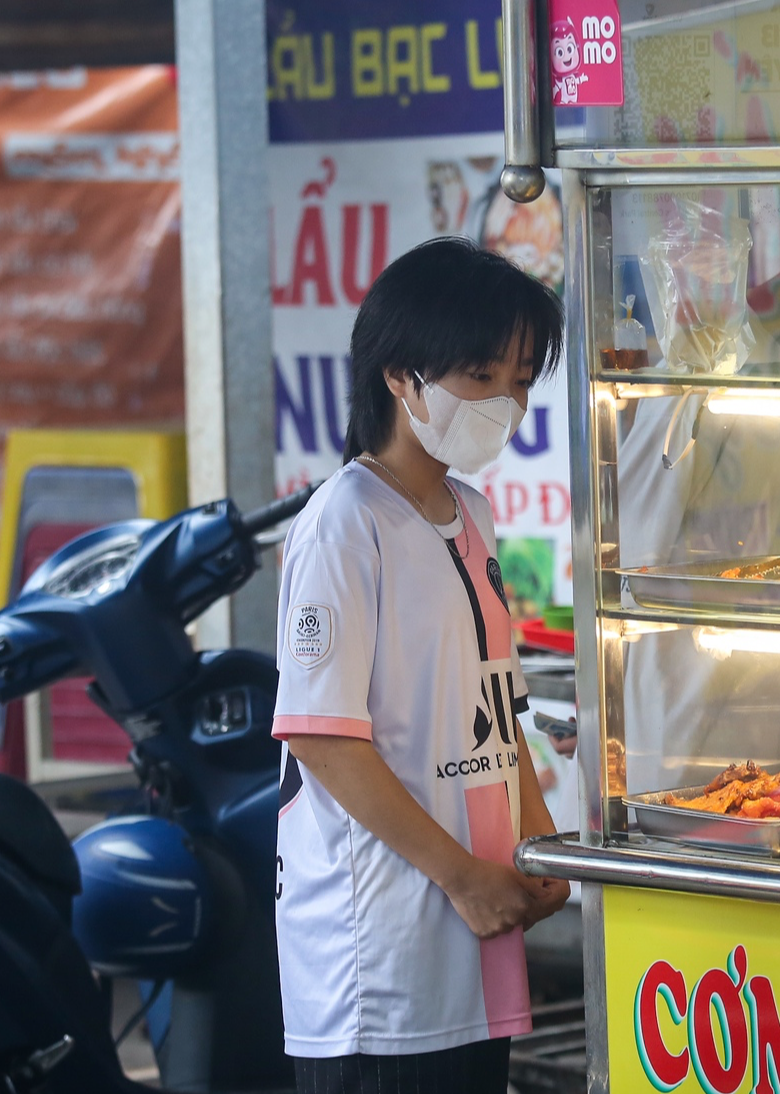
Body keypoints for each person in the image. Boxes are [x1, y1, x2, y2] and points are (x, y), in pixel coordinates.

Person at [271, 238, 571, 1091]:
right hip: (383, 959)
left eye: (518, 381)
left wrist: (535, 841)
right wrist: (462, 877)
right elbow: (322, 739)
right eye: (481, 376)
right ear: (401, 378)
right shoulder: (344, 521)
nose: (504, 403)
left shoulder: (467, 511)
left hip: (473, 937)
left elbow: (495, 705)